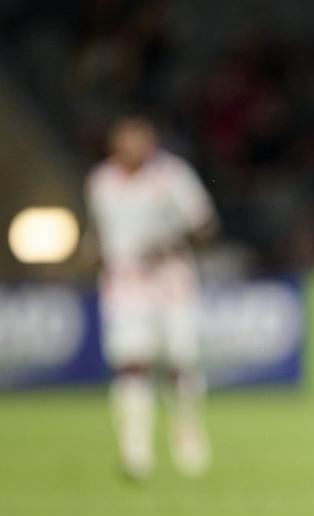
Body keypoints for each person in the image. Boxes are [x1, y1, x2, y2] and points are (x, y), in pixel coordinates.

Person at [84, 115, 218, 480]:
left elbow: (206, 224)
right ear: (115, 143)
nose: (135, 147)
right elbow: (99, 231)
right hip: (123, 283)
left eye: (141, 139)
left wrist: (173, 241)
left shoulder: (172, 176)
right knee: (131, 363)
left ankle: (186, 429)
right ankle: (135, 449)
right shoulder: (100, 182)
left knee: (180, 360)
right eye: (127, 139)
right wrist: (90, 252)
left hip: (169, 279)